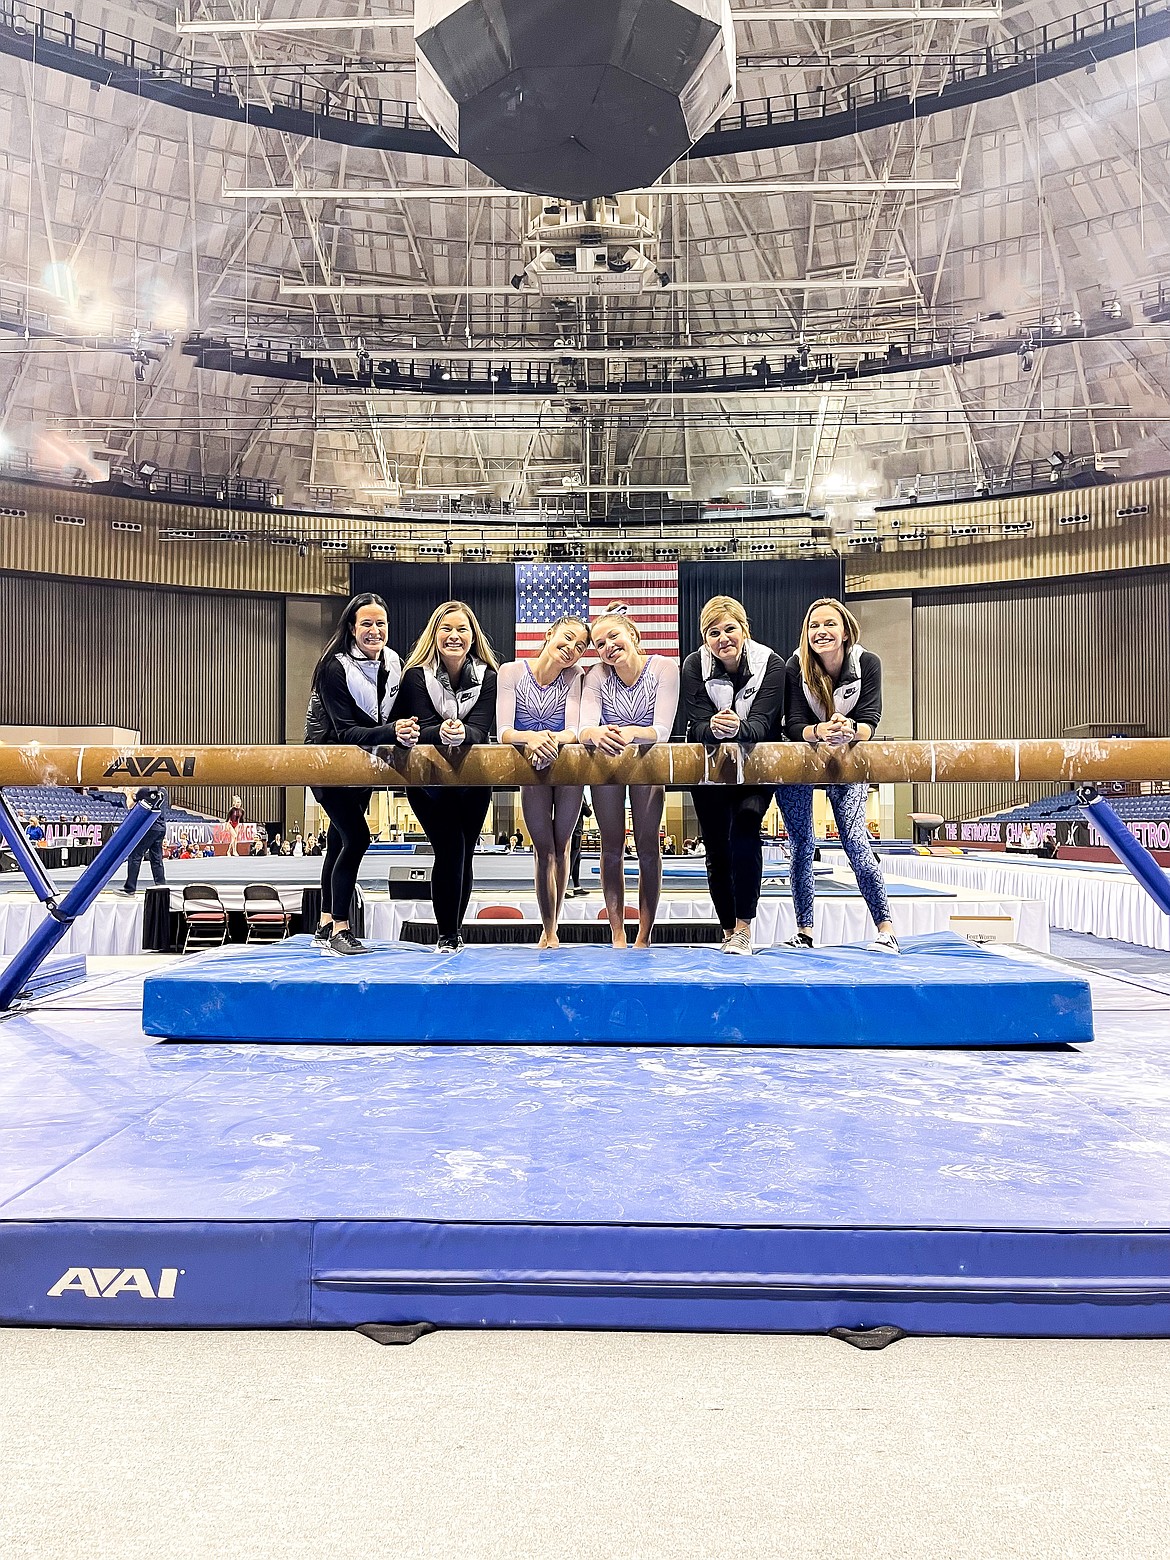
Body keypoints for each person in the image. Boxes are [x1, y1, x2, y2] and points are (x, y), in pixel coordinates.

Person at [773, 597, 898, 953]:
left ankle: (886, 928)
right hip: (804, 756)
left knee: (855, 842)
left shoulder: (867, 663)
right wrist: (819, 732)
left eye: (829, 624)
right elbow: (793, 722)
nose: (821, 631)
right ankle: (805, 931)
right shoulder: (795, 667)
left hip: (847, 757)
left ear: (845, 631)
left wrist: (850, 729)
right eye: (814, 626)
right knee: (801, 847)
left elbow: (871, 718)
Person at [305, 592, 419, 956]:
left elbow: (390, 715)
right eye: (366, 624)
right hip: (329, 760)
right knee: (357, 838)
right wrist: (392, 733)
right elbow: (345, 731)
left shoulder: (393, 663)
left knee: (338, 841)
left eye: (380, 623)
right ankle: (341, 925)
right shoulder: (333, 667)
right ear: (352, 629)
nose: (374, 630)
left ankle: (324, 921)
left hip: (364, 764)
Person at [680, 594, 786, 956]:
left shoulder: (770, 663)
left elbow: (764, 722)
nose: (722, 638)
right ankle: (728, 929)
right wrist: (712, 727)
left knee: (745, 827)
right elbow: (694, 727)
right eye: (713, 632)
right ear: (704, 637)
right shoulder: (694, 664)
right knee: (716, 848)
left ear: (744, 629)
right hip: (710, 766)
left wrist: (736, 727)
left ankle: (744, 927)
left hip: (755, 764)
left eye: (730, 629)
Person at [398, 600, 499, 953]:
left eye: (462, 630)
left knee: (464, 853)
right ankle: (447, 935)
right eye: (447, 629)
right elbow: (418, 726)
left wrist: (462, 733)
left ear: (473, 637)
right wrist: (440, 731)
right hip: (429, 781)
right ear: (434, 634)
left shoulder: (488, 676)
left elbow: (481, 726)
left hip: (472, 781)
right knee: (450, 847)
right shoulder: (415, 676)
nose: (454, 636)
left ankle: (455, 932)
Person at [578, 604, 679, 948]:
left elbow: (662, 730)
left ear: (634, 635)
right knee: (611, 848)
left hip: (646, 763)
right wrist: (595, 734)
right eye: (599, 643)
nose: (606, 646)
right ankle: (617, 932)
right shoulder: (596, 675)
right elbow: (585, 726)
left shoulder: (664, 667)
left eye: (613, 636)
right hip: (609, 763)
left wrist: (628, 730)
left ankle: (645, 935)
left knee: (649, 847)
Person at [496, 615, 590, 946]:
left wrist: (545, 739)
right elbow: (503, 731)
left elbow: (574, 729)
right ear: (550, 634)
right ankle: (546, 926)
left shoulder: (576, 675)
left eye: (580, 646)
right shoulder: (511, 672)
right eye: (567, 639)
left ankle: (554, 927)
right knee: (543, 850)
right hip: (531, 766)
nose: (571, 649)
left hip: (566, 766)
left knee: (562, 846)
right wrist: (530, 740)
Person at [119, 787, 169, 895]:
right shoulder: (163, 790)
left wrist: (128, 794)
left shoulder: (144, 790)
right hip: (161, 826)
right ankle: (161, 886)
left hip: (149, 827)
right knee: (156, 859)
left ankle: (130, 888)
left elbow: (130, 806)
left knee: (135, 856)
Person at [567, 791, 594, 896]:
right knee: (571, 860)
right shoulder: (577, 793)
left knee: (577, 859)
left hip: (574, 829)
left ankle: (576, 886)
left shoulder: (577, 793)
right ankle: (563, 888)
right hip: (575, 831)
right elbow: (587, 812)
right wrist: (587, 807)